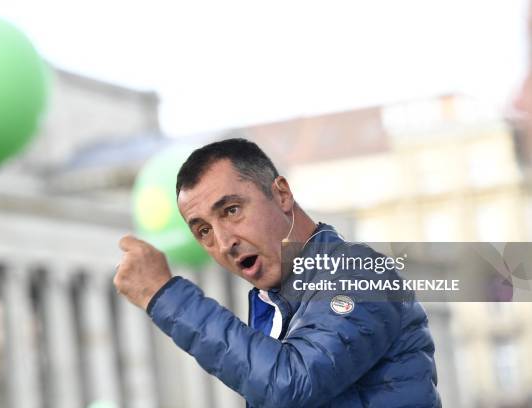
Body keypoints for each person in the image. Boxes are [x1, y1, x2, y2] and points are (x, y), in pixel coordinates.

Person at [113, 138, 441, 407]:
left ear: (281, 194)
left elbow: (290, 383)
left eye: (231, 210)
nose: (224, 242)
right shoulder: (277, 306)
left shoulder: (359, 275)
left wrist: (166, 296)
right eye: (203, 231)